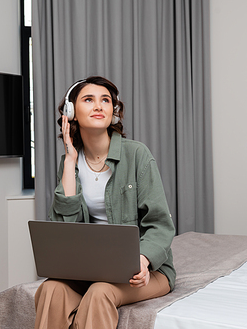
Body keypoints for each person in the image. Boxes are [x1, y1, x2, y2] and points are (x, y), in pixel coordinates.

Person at [34, 76, 176, 329]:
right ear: (72, 113)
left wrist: (142, 261)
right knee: (51, 289)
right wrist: (69, 161)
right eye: (89, 100)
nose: (99, 106)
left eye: (106, 100)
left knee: (101, 291)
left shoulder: (137, 154)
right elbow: (63, 229)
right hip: (88, 270)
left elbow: (160, 225)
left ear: (114, 112)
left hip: (143, 271)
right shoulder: (69, 163)